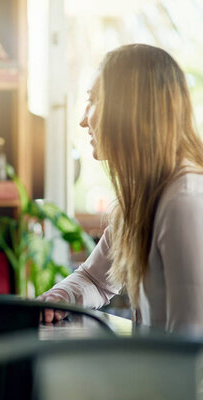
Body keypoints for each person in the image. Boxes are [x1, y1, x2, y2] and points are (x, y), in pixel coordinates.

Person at [39, 43, 203, 335]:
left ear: (131, 108)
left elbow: (191, 347)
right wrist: (61, 297)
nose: (83, 119)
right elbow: (95, 280)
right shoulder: (141, 199)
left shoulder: (184, 202)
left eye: (93, 101)